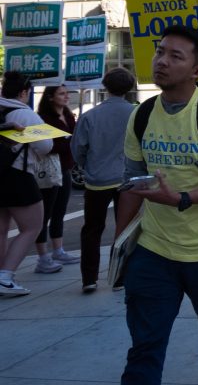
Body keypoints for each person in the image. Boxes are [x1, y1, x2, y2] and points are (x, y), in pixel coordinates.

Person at [115, 25, 198, 385]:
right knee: (145, 346)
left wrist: (182, 199)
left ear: (196, 71)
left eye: (176, 56)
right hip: (153, 251)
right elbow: (130, 182)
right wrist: (119, 248)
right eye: (160, 52)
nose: (162, 61)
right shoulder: (141, 115)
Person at [71, 67, 136, 293]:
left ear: (105, 87)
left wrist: (87, 164)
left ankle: (89, 278)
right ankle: (120, 277)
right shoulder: (135, 113)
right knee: (125, 227)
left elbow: (78, 149)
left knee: (92, 228)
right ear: (129, 87)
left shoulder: (90, 116)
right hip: (127, 178)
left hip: (97, 178)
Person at [0, 72, 52, 297]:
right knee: (32, 227)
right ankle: (5, 276)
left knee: (1, 230)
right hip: (18, 176)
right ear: (23, 92)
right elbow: (45, 145)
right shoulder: (25, 113)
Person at [35, 85, 78, 273]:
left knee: (60, 211)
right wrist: (66, 141)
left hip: (66, 168)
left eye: (66, 93)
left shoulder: (68, 115)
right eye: (62, 93)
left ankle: (58, 250)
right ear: (51, 97)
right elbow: (45, 146)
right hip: (49, 171)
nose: (66, 96)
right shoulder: (43, 119)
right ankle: (42, 257)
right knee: (44, 214)